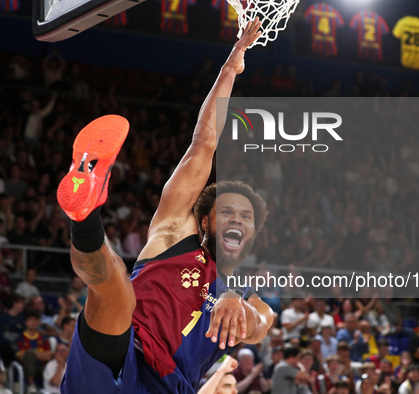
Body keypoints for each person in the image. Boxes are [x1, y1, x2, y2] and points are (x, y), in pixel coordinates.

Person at [59, 19, 272, 394]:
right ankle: (85, 213)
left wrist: (239, 304)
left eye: (246, 216)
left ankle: (86, 217)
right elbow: (203, 145)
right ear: (204, 220)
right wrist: (230, 67)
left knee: (117, 291)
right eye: (227, 211)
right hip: (122, 348)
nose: (237, 218)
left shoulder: (245, 290)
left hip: (169, 386)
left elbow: (262, 324)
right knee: (115, 291)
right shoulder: (177, 232)